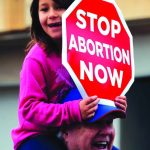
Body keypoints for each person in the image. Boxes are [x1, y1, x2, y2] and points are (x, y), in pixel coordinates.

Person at [11, 0, 127, 150]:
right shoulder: (36, 59)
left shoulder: (87, 49)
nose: (52, 14)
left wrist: (114, 99)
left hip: (70, 131)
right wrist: (74, 111)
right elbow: (29, 109)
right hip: (38, 135)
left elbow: (98, 87)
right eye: (44, 9)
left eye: (59, 7)